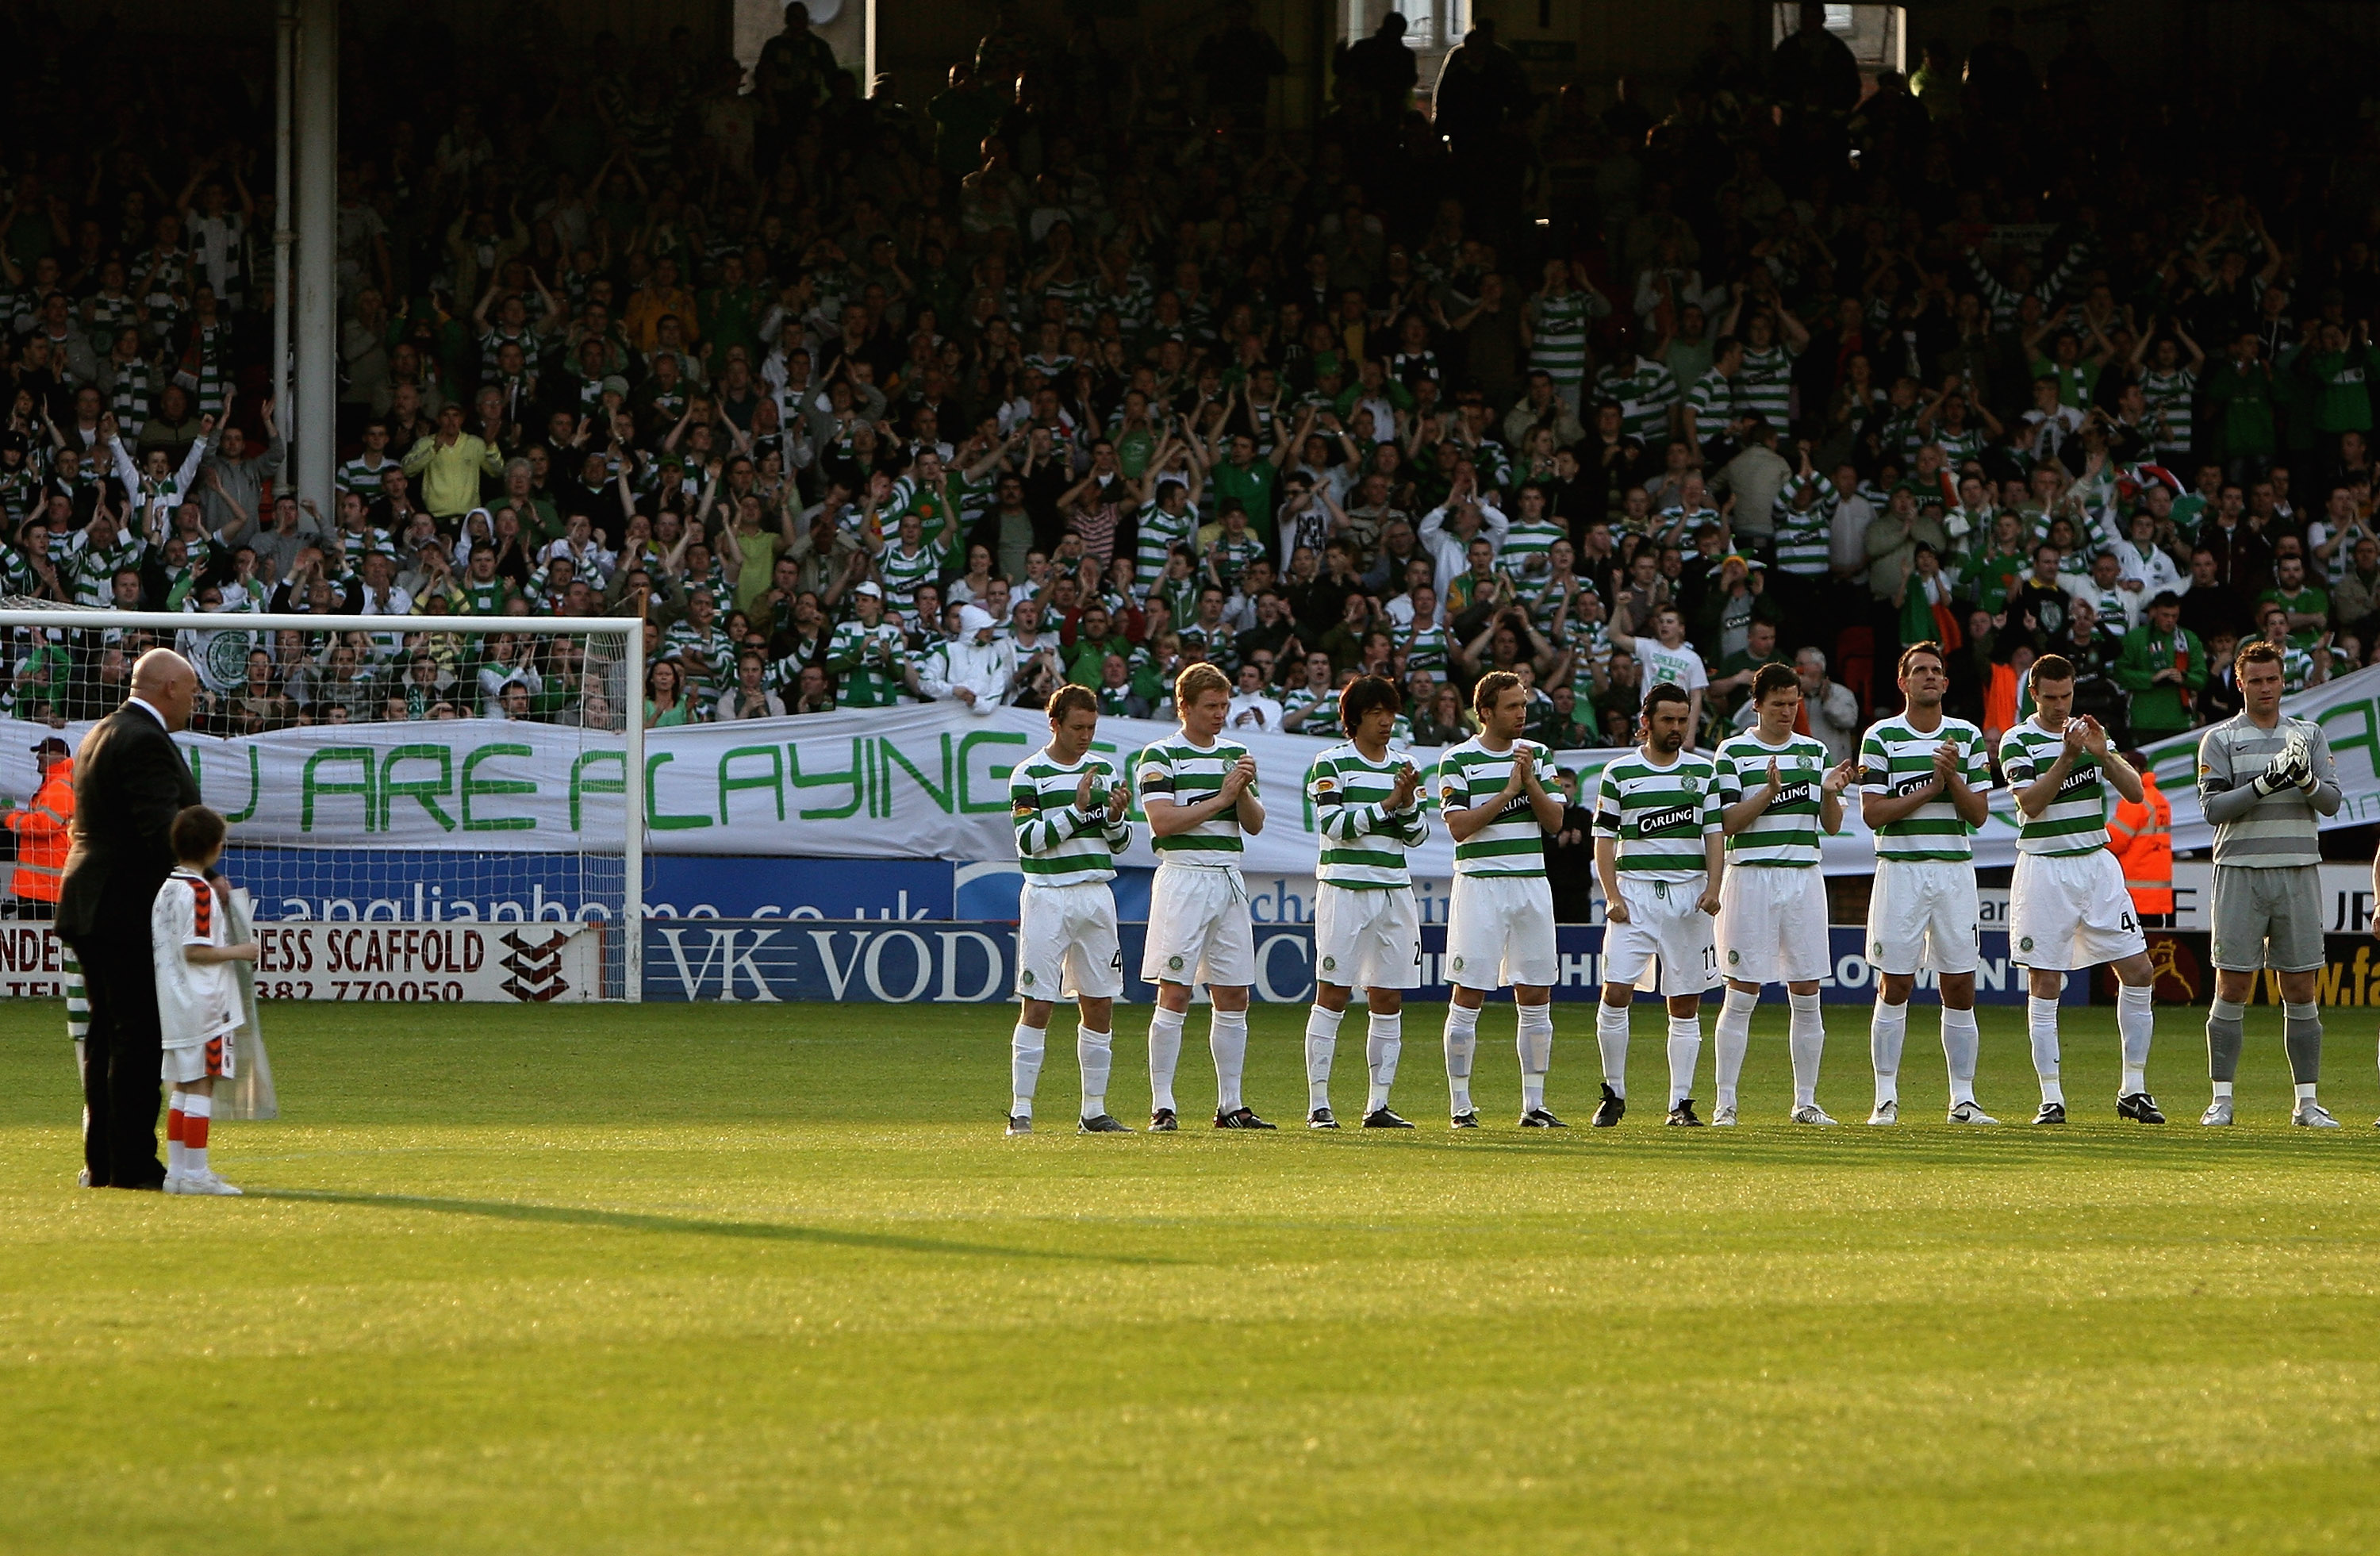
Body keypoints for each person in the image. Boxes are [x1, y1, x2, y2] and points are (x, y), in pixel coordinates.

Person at [57, 649, 203, 1190]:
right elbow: (160, 830)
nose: (194, 702)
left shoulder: (101, 732)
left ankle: (103, 1160)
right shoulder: (145, 740)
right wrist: (203, 877)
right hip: (123, 906)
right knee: (138, 1035)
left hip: (89, 901)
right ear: (168, 687)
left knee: (105, 1035)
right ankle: (133, 1163)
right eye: (191, 691)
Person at [1999, 656, 2165, 1127]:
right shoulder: (2017, 740)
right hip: (2044, 867)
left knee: (2139, 970)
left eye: (2066, 696)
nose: (2059, 706)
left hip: (2096, 864)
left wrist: (2104, 754)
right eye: (2050, 697)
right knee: (2045, 982)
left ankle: (2134, 1088)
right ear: (2034, 694)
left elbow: (2135, 794)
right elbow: (2031, 804)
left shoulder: (2088, 732)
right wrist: (2069, 758)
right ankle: (2051, 1097)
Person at [2196, 641, 2344, 1127]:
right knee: (2233, 984)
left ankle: (2307, 1103)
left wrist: (2303, 780)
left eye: (2272, 679)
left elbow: (2331, 803)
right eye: (2256, 680)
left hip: (2297, 869)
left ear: (2284, 682)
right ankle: (2221, 1099)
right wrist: (2265, 783)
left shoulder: (2309, 734)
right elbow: (2214, 809)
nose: (2265, 688)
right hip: (2240, 870)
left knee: (2300, 986)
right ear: (2240, 684)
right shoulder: (2220, 739)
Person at [1858, 642, 1996, 1126]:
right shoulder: (1881, 736)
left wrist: (1952, 780)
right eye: (1920, 671)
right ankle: (1885, 1098)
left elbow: (1978, 814)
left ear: (1946, 682)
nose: (1930, 677)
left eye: (1936, 670)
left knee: (1959, 984)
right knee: (1895, 982)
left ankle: (1963, 1099)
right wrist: (1931, 789)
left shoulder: (1966, 736)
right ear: (1903, 682)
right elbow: (1873, 813)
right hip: (1901, 869)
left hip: (1954, 871)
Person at [1713, 664, 1857, 1125]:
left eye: (1793, 703)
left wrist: (1830, 793)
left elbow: (1831, 825)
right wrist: (1769, 794)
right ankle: (1726, 1104)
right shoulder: (1733, 752)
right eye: (1778, 704)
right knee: (1742, 991)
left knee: (1808, 990)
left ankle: (1806, 1102)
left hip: (1802, 877)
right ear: (1757, 704)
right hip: (1750, 876)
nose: (1787, 712)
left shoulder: (1814, 752)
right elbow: (1728, 824)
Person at [1135, 663, 1270, 1131]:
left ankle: (1231, 1104)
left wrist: (1242, 791)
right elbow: (1163, 822)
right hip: (1184, 876)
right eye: (1211, 706)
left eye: (1224, 705)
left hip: (1227, 876)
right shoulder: (1160, 755)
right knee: (1175, 990)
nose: (1219, 714)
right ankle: (1163, 1105)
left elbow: (1254, 824)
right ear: (1185, 707)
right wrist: (1221, 798)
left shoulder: (1235, 754)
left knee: (1233, 992)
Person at [1590, 684, 1726, 1127]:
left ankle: (1680, 1103)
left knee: (1684, 1002)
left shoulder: (1702, 772)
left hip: (1688, 895)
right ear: (1646, 722)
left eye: (1683, 720)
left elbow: (1714, 836)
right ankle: (1613, 1093)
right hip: (1635, 895)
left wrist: (1713, 887)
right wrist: (1612, 895)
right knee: (1616, 992)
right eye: (1668, 719)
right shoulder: (1619, 773)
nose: (1677, 728)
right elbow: (1604, 840)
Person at [1435, 670, 1565, 1128]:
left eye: (1523, 704)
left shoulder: (1538, 755)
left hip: (1531, 883)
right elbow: (1459, 828)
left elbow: (1554, 822)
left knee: (1536, 992)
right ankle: (1460, 1105)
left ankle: (1534, 1105)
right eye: (1512, 706)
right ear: (1485, 712)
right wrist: (1508, 792)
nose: (1521, 713)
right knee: (1469, 992)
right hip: (1480, 884)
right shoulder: (1458, 759)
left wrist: (1529, 783)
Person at [1006, 685, 1135, 1136]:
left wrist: (1115, 818)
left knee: (1099, 1002)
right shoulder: (1029, 774)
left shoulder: (1104, 771)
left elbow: (1120, 843)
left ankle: (1093, 1112)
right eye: (1078, 727)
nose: (1085, 736)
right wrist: (1078, 812)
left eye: (1092, 728)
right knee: (1038, 1003)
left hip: (1096, 894)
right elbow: (1029, 841)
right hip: (1048, 895)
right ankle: (1021, 1111)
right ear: (1054, 723)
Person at [1303, 675, 1428, 1130]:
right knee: (1334, 992)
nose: (1385, 721)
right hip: (1345, 890)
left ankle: (1378, 1104)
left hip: (1394, 890)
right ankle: (1319, 1104)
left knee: (1388, 995)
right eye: (1376, 713)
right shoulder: (1331, 763)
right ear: (1355, 718)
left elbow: (1418, 835)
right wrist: (1388, 804)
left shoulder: (1406, 765)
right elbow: (1333, 826)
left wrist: (1407, 803)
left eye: (1390, 713)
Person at [152, 805, 258, 1195]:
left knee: (182, 1086)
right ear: (215, 847)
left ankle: (178, 1173)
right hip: (205, 1005)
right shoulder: (199, 892)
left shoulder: (166, 888)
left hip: (174, 1002)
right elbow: (194, 950)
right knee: (201, 1085)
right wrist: (241, 951)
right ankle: (196, 1174)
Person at [6, 736, 75, 917]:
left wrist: (9, 818)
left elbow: (43, 825)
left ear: (59, 757)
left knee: (40, 932)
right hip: (41, 886)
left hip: (47, 888)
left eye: (44, 753)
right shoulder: (53, 785)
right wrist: (15, 814)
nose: (38, 757)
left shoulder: (59, 787)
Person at [2108, 755, 2175, 928]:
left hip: (2134, 897)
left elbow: (2114, 842)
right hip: (2156, 897)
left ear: (2135, 769)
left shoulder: (2135, 800)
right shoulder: (2159, 799)